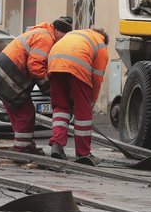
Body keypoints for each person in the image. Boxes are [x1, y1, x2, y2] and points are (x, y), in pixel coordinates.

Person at [0, 16, 74, 153]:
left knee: (16, 110)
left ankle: (25, 144)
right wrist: (47, 87)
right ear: (59, 31)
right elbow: (35, 66)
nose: (63, 41)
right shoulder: (46, 39)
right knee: (26, 113)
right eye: (65, 37)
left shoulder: (41, 33)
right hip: (8, 75)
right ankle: (22, 147)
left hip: (1, 74)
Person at [46, 26, 109, 162]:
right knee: (83, 114)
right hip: (77, 67)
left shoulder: (76, 34)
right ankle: (83, 153)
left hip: (54, 64)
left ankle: (57, 145)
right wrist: (90, 103)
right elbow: (97, 79)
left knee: (61, 109)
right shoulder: (101, 45)